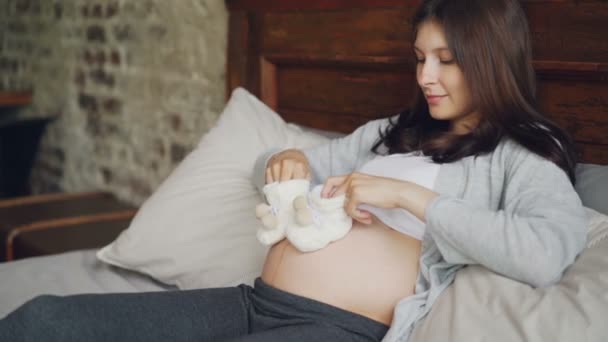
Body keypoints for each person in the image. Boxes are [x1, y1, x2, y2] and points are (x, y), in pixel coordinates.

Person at [0, 0, 587, 341]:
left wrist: (407, 197)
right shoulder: (393, 131)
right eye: (419, 59)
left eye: (446, 60)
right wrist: (288, 160)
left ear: (489, 59)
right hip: (251, 301)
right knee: (42, 320)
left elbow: (544, 252)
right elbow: (272, 168)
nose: (425, 77)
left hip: (334, 327)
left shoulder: (520, 154)